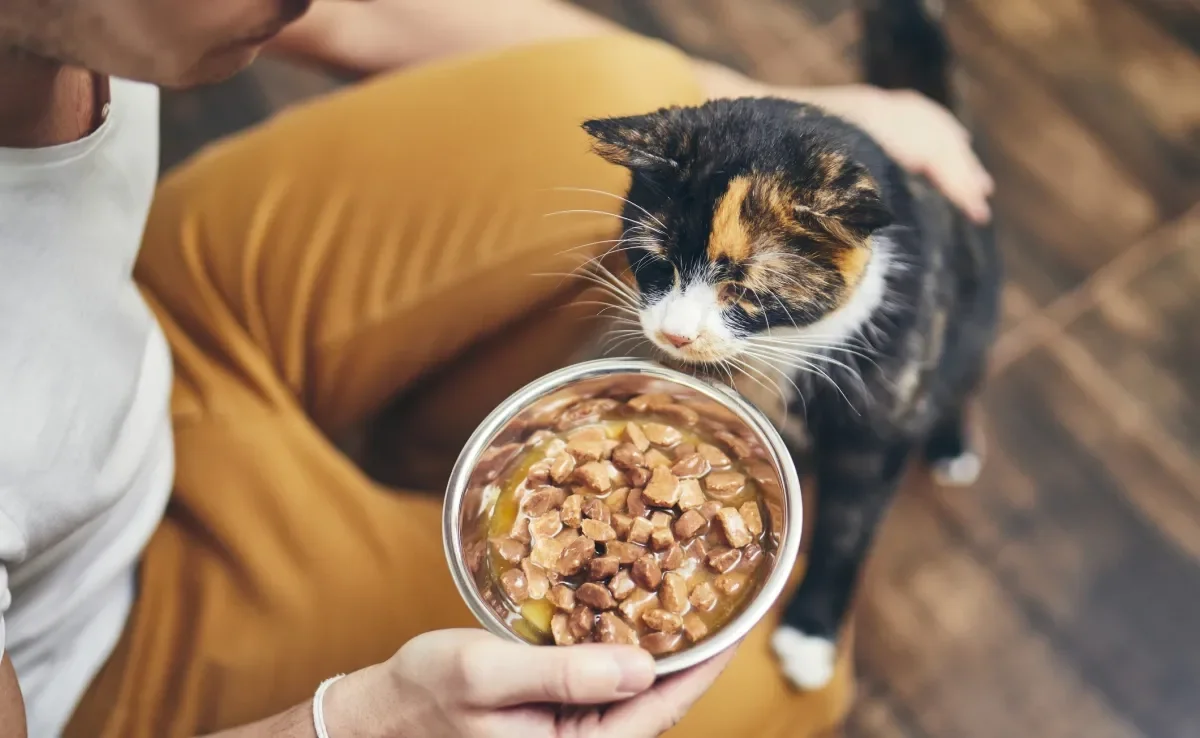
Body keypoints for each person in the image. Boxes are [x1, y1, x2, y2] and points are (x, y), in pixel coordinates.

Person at [0, 1, 993, 736]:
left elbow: (360, 12)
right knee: (787, 687)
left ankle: (408, 450)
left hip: (138, 320)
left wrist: (786, 120)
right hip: (101, 652)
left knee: (609, 81)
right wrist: (363, 723)